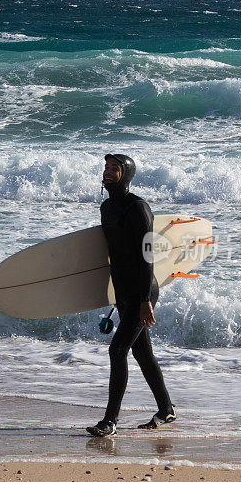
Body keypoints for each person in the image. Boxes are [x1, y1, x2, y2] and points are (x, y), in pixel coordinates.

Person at [86, 153, 176, 437]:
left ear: (126, 174)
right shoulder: (107, 207)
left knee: (117, 349)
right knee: (142, 352)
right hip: (123, 291)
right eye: (106, 168)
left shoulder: (137, 207)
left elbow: (146, 257)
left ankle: (110, 421)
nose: (108, 172)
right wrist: (115, 295)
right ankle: (166, 410)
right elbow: (113, 254)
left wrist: (145, 301)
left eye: (115, 168)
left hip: (141, 292)